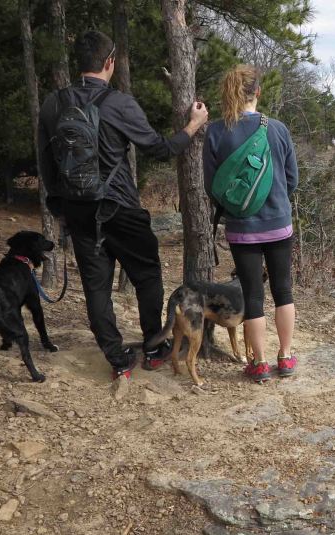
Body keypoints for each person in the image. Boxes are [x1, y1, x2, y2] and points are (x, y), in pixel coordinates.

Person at [38, 30, 209, 380]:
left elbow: (45, 162)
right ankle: (152, 343)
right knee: (147, 275)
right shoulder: (119, 103)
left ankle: (117, 358)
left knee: (96, 287)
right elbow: (160, 149)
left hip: (79, 210)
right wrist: (192, 126)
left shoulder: (53, 103)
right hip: (121, 208)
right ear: (109, 62)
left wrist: (60, 207)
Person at [202, 64, 298, 383]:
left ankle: (258, 364)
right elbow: (292, 180)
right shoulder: (279, 129)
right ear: (257, 91)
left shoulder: (216, 132)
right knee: (283, 291)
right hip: (279, 223)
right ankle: (285, 357)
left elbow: (211, 187)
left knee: (253, 295)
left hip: (242, 229)